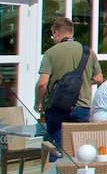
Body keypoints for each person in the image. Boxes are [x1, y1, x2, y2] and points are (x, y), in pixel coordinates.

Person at [35, 17, 102, 154]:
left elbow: (42, 83)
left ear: (57, 33)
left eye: (52, 35)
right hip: (82, 106)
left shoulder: (51, 53)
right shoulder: (88, 52)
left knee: (58, 149)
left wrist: (37, 102)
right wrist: (80, 83)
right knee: (81, 150)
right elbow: (98, 78)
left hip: (56, 106)